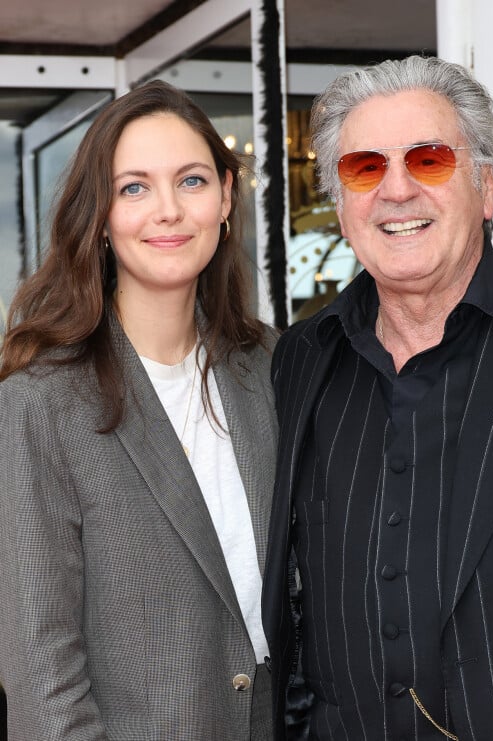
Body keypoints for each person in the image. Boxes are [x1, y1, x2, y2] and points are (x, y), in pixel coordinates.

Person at [262, 54, 493, 740]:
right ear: (342, 209)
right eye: (364, 168)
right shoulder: (300, 359)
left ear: (486, 188)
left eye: (429, 159)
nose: (397, 190)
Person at [0, 80, 278, 740]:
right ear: (99, 215)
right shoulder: (38, 402)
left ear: (226, 199)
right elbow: (42, 677)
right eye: (134, 187)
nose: (168, 210)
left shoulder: (269, 364)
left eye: (191, 180)